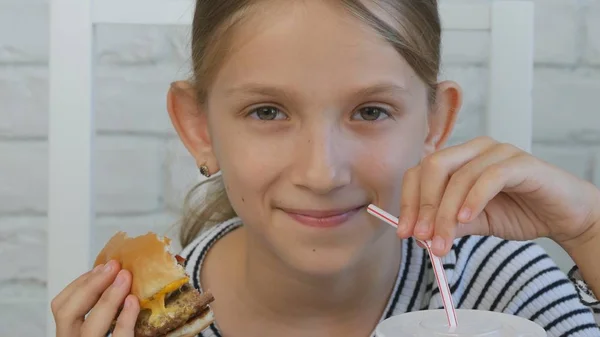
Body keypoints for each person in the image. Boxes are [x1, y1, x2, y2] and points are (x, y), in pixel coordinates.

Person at [51, 0, 600, 336]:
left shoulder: (502, 293)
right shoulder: (147, 323)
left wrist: (589, 232)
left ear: (434, 123)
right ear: (199, 127)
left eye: (370, 111)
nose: (321, 173)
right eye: (267, 111)